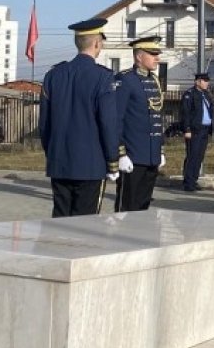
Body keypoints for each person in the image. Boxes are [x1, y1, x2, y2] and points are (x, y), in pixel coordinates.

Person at [39, 18, 119, 217]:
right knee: (85, 223)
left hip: (60, 161)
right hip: (91, 165)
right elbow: (108, 123)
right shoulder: (103, 77)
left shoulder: (53, 75)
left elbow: (44, 124)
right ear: (97, 43)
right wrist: (113, 160)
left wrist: (53, 153)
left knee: (60, 219)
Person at [115, 35, 166, 212]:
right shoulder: (125, 80)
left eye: (157, 54)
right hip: (133, 156)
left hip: (151, 155)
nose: (157, 58)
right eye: (152, 54)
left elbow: (157, 117)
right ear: (139, 56)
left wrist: (160, 149)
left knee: (143, 207)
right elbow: (116, 120)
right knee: (127, 207)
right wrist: (121, 154)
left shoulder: (154, 80)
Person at [180, 72, 214, 192]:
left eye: (207, 81)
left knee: (199, 156)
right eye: (205, 81)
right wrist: (187, 129)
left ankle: (194, 180)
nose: (207, 83)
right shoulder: (190, 94)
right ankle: (188, 182)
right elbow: (185, 113)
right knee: (192, 156)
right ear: (198, 82)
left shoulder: (206, 94)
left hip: (204, 129)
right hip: (194, 130)